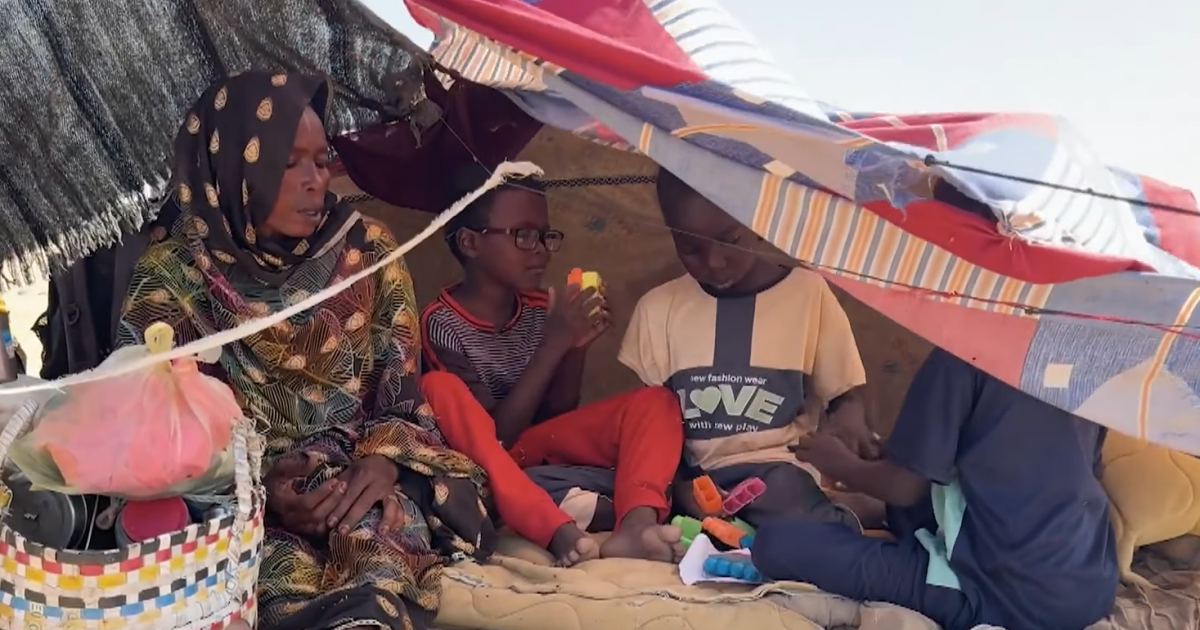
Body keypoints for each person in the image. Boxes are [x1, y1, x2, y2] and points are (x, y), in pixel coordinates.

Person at [118, 71, 495, 630]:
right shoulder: (171, 276)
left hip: (357, 474)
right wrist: (260, 494)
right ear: (231, 167)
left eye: (321, 161)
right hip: (236, 503)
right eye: (288, 162)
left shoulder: (366, 252)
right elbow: (150, 436)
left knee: (382, 537)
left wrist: (381, 465)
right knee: (256, 574)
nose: (315, 180)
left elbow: (401, 396)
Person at [418, 166, 686, 566]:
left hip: (537, 454)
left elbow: (556, 419)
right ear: (470, 242)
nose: (541, 249)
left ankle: (635, 525)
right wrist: (553, 344)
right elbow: (495, 439)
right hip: (488, 463)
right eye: (523, 235)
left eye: (546, 236)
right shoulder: (441, 322)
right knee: (438, 387)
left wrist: (575, 347)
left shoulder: (542, 307)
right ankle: (554, 520)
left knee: (656, 401)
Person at [753, 347, 1118, 630]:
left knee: (777, 543)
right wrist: (888, 455)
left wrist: (838, 463)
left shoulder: (964, 357)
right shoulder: (1086, 360)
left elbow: (904, 488)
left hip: (1006, 595)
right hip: (1091, 582)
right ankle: (875, 515)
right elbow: (1079, 465)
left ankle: (882, 531)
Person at [620, 167, 881, 529]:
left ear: (759, 218)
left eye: (729, 239)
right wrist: (678, 488)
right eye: (691, 249)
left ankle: (839, 517)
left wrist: (848, 424)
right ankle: (830, 521)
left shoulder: (807, 293)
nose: (714, 262)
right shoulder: (657, 309)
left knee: (782, 495)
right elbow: (650, 427)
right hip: (700, 481)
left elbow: (846, 395)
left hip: (783, 471)